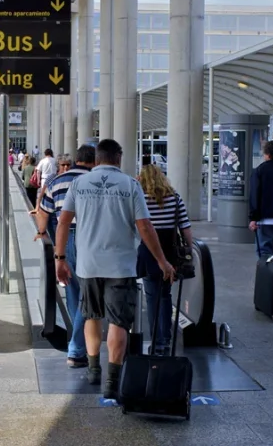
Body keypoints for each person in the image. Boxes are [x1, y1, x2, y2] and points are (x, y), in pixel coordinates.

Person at [56, 138, 175, 401]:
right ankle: (112, 379)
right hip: (121, 265)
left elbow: (63, 223)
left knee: (91, 316)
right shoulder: (130, 185)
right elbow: (145, 226)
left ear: (97, 159)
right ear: (118, 158)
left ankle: (93, 369)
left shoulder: (78, 183)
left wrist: (60, 258)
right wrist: (161, 260)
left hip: (88, 263)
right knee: (119, 322)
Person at [37, 148, 92, 367]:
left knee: (72, 290)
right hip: (88, 237)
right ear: (94, 161)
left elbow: (43, 213)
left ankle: (76, 340)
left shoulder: (56, 182)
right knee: (88, 295)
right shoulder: (92, 180)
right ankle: (77, 348)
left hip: (64, 239)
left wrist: (42, 234)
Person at [137, 164, 194, 356]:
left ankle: (157, 341)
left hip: (149, 250)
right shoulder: (175, 198)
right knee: (166, 295)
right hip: (170, 251)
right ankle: (167, 338)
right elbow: (185, 225)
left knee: (152, 297)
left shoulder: (141, 198)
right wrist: (189, 249)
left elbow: (139, 225)